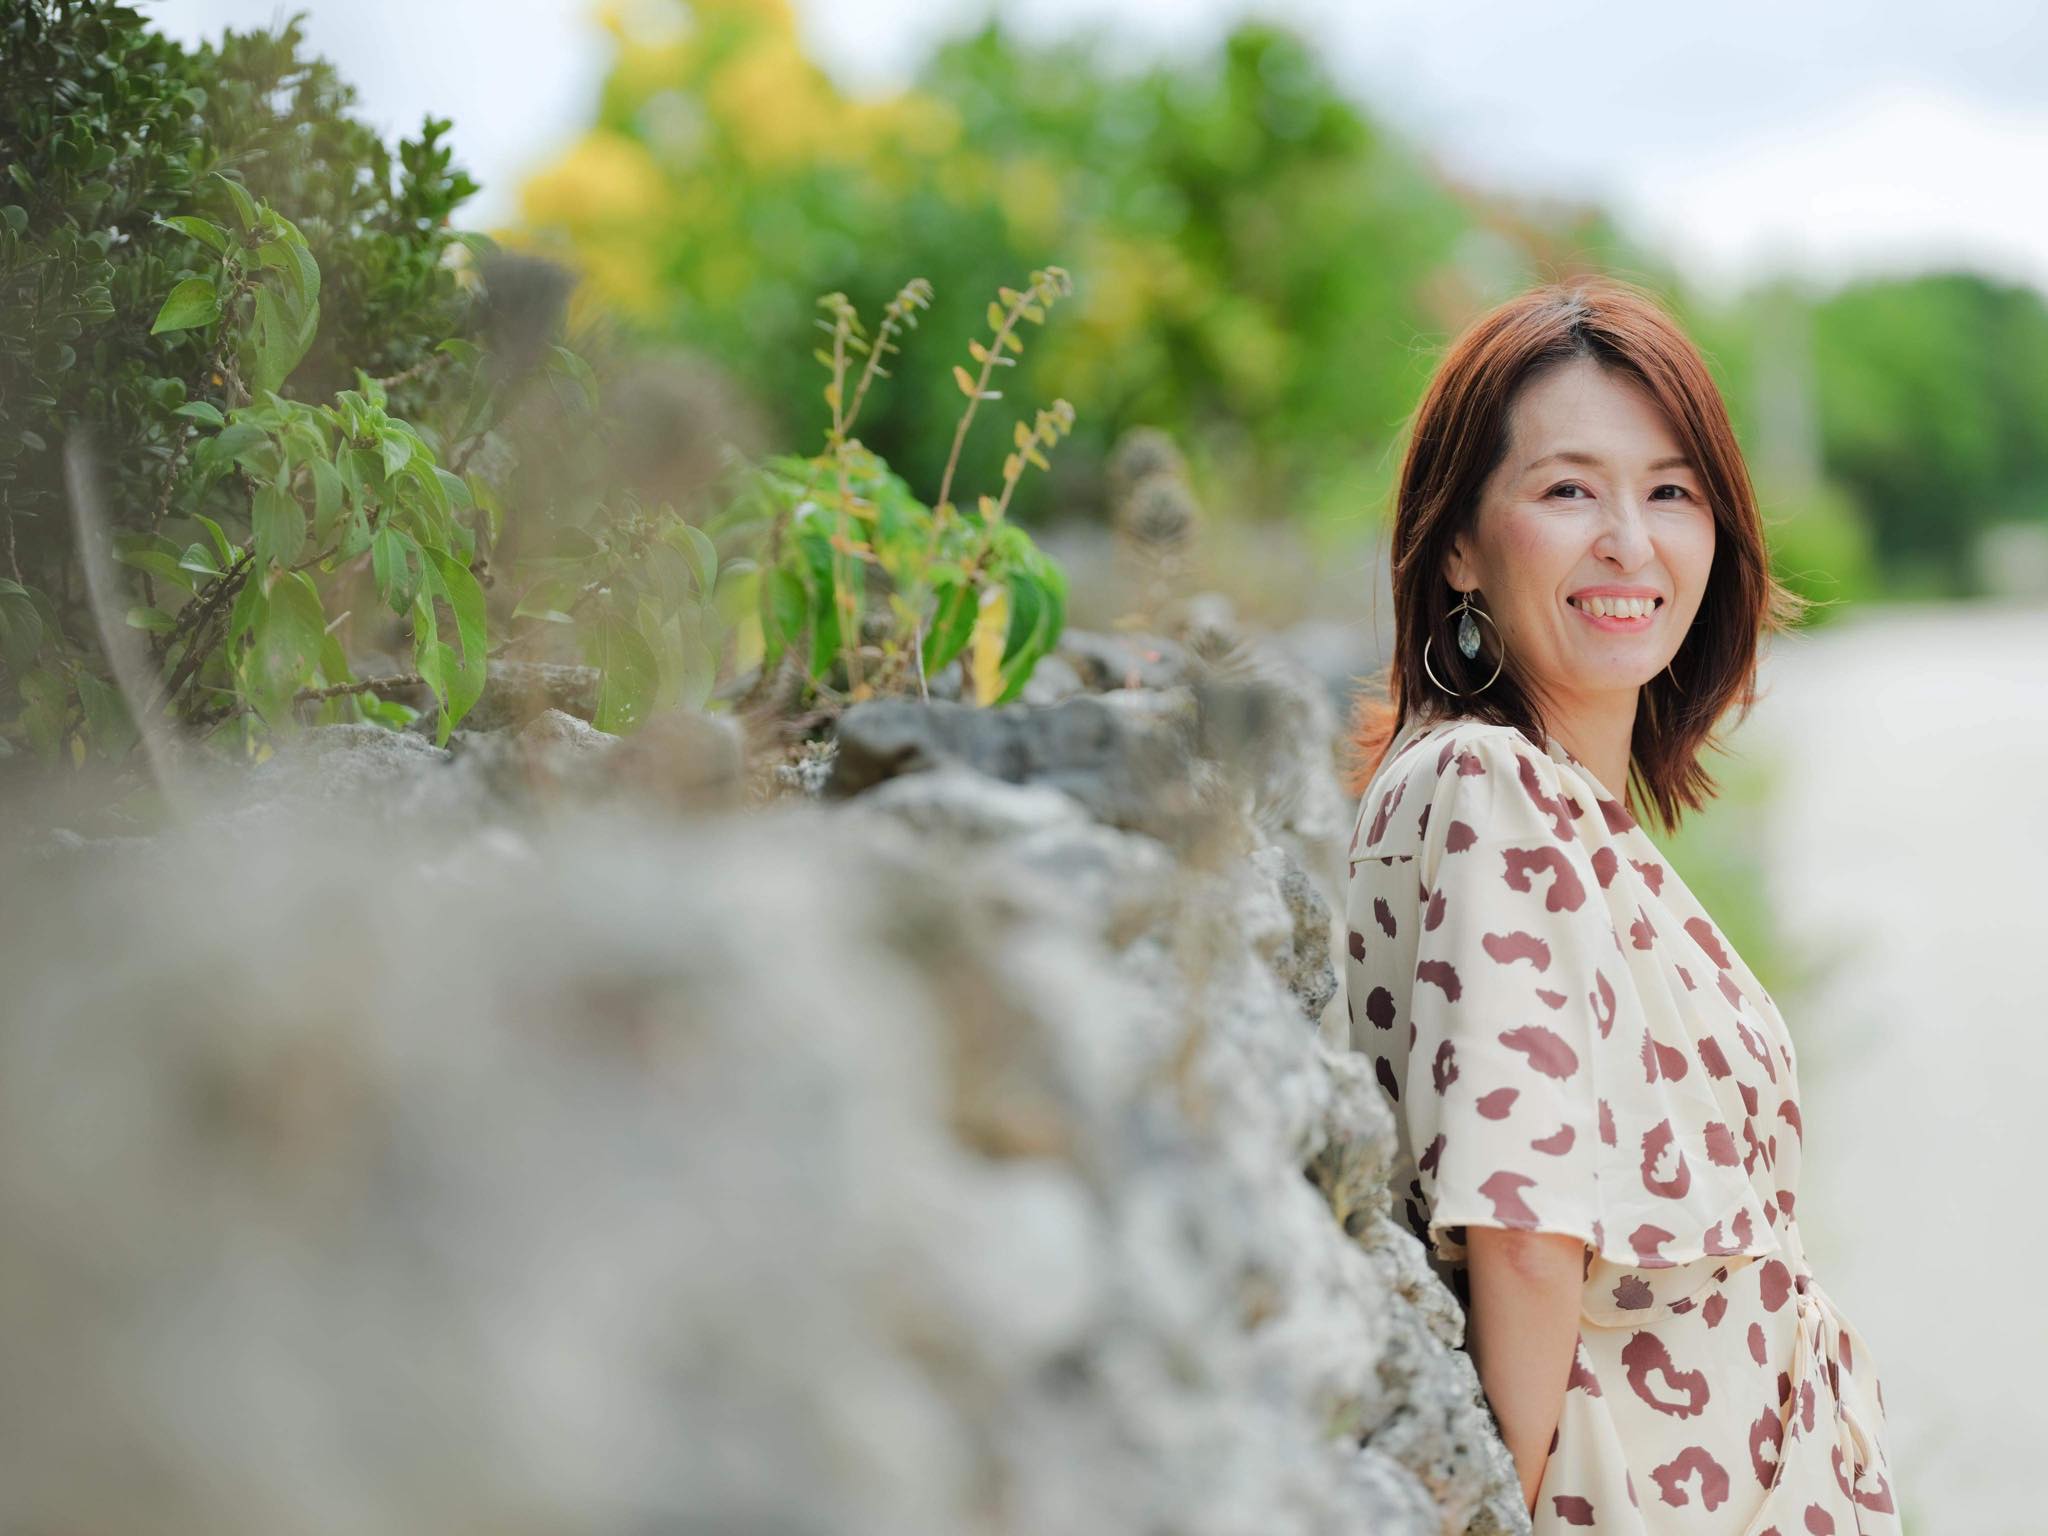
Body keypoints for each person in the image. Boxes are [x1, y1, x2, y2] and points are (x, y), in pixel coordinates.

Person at [1340, 277, 1900, 1534]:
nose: (1627, 543)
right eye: (1565, 490)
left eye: (1669, 492)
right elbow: (1521, 1230)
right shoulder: (1487, 790)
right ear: (1456, 543)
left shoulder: (1562, 812)